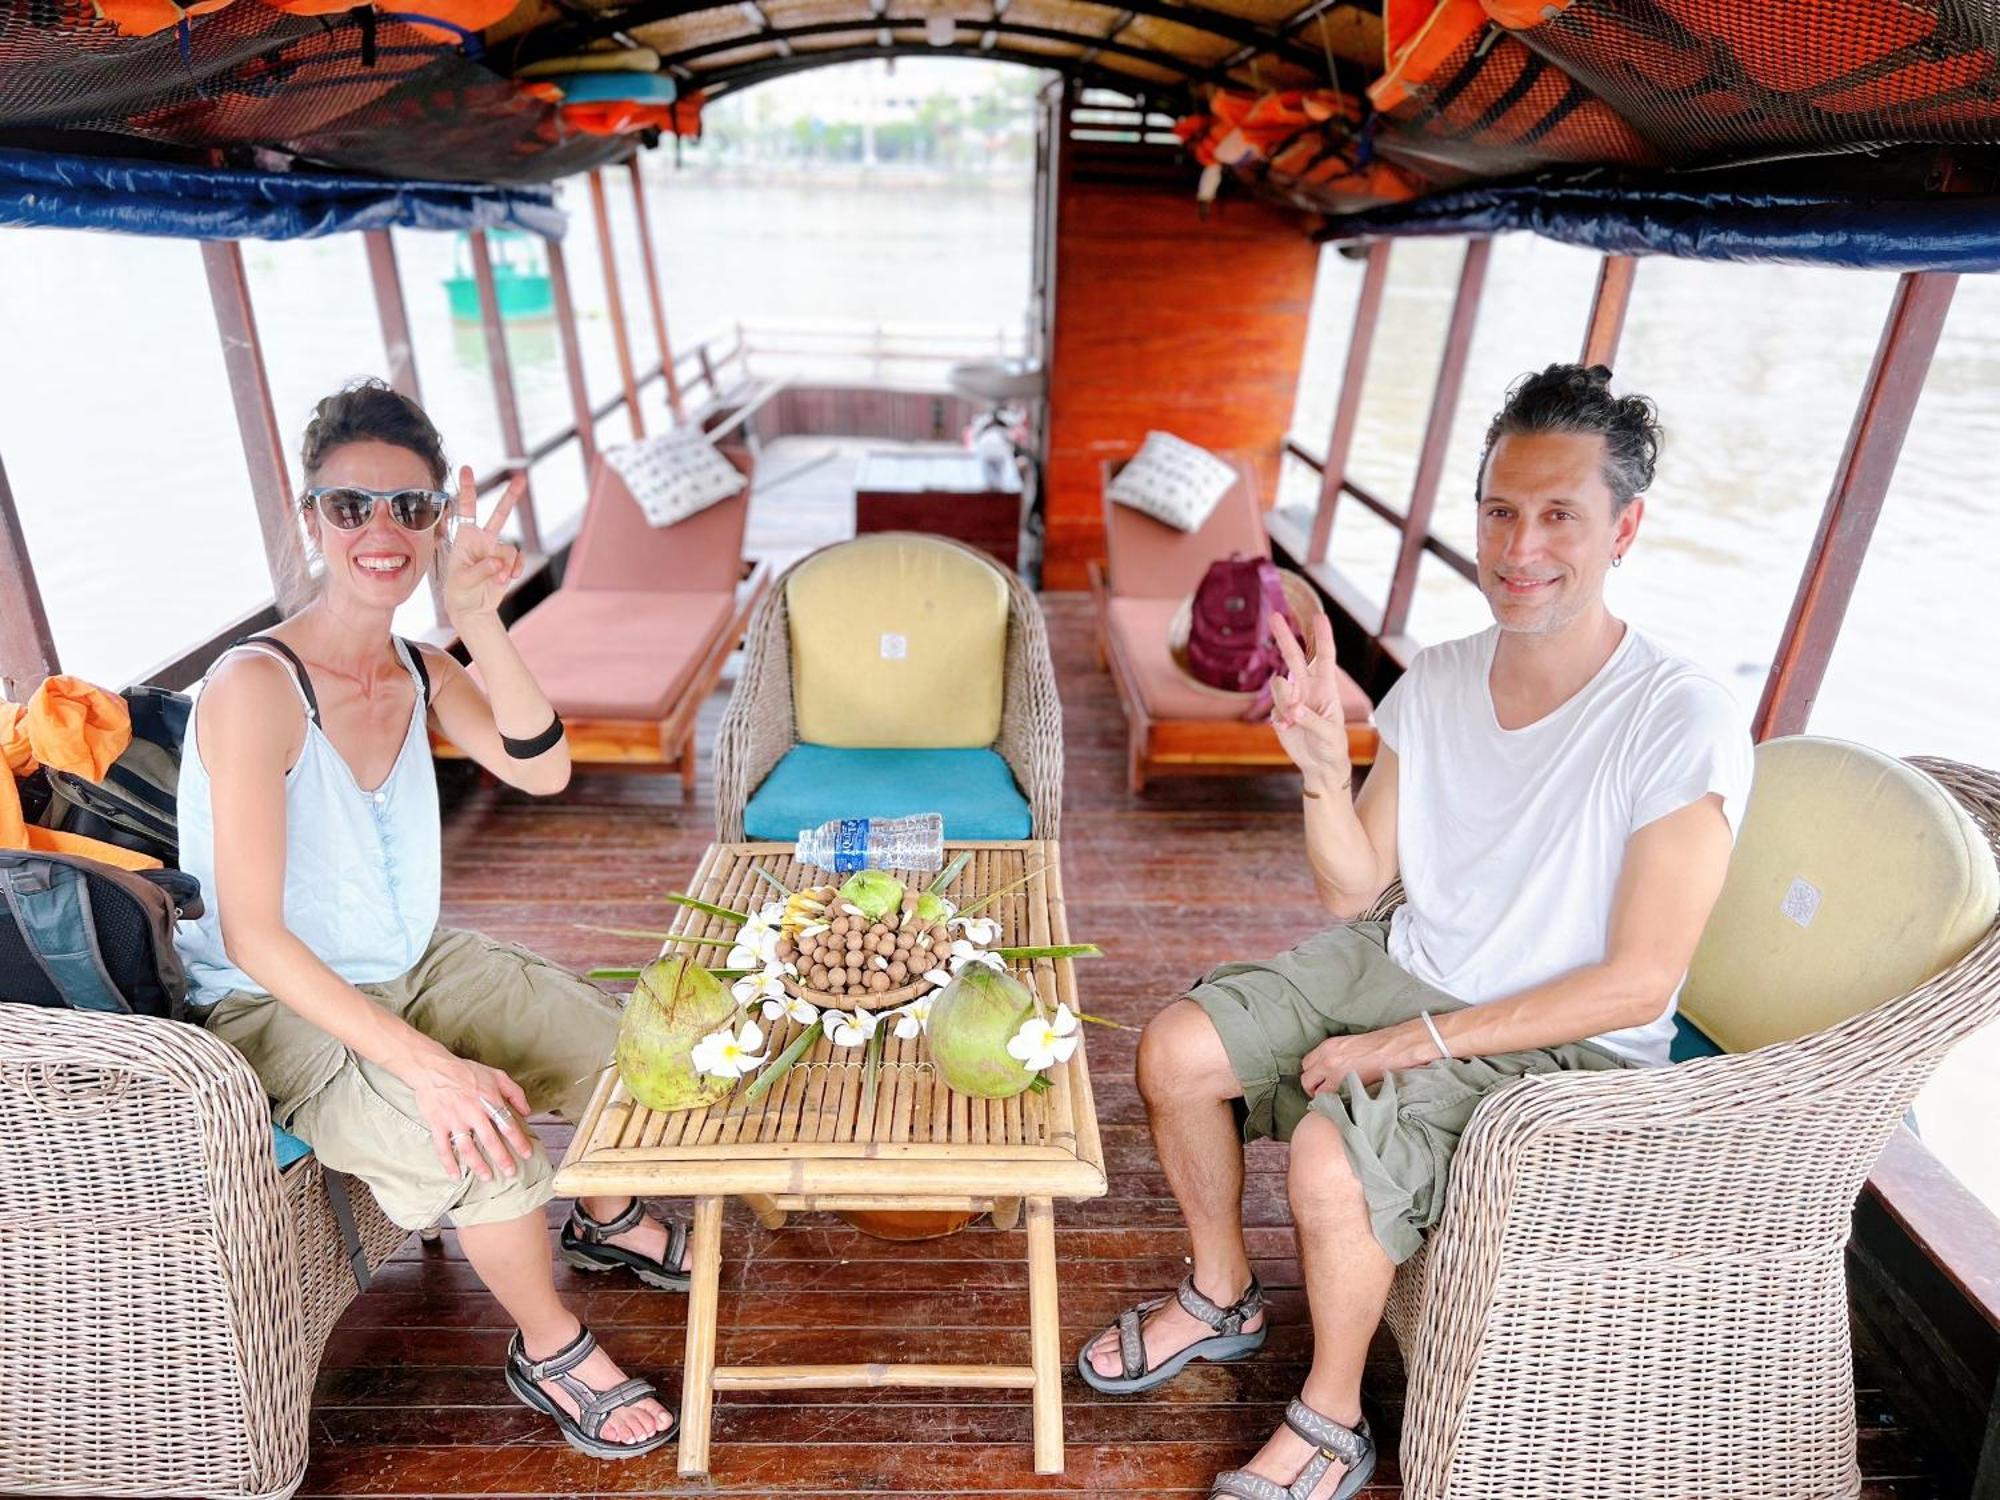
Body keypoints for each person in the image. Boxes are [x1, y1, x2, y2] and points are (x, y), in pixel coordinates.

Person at [1077, 364, 1755, 1500]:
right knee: (1174, 1051)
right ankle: (1220, 1293)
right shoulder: (1434, 680)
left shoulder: (1672, 715)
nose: (1518, 546)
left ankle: (1332, 1418)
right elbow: (1353, 891)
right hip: (1406, 960)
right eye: (1499, 510)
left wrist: (1406, 1047)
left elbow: (1637, 986)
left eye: (1557, 517)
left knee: (1327, 1153)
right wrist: (1315, 771)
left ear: (1623, 527)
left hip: (1560, 1034)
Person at [176, 380, 685, 1460]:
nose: (381, 531)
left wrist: (478, 619)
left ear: (436, 526)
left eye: (410, 509)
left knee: (623, 1046)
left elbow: (540, 772)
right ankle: (549, 1345)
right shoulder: (255, 687)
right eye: (350, 505)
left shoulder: (417, 665)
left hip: (405, 962)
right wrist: (428, 1067)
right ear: (308, 515)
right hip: (278, 1002)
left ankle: (602, 1221)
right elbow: (254, 933)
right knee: (484, 1142)